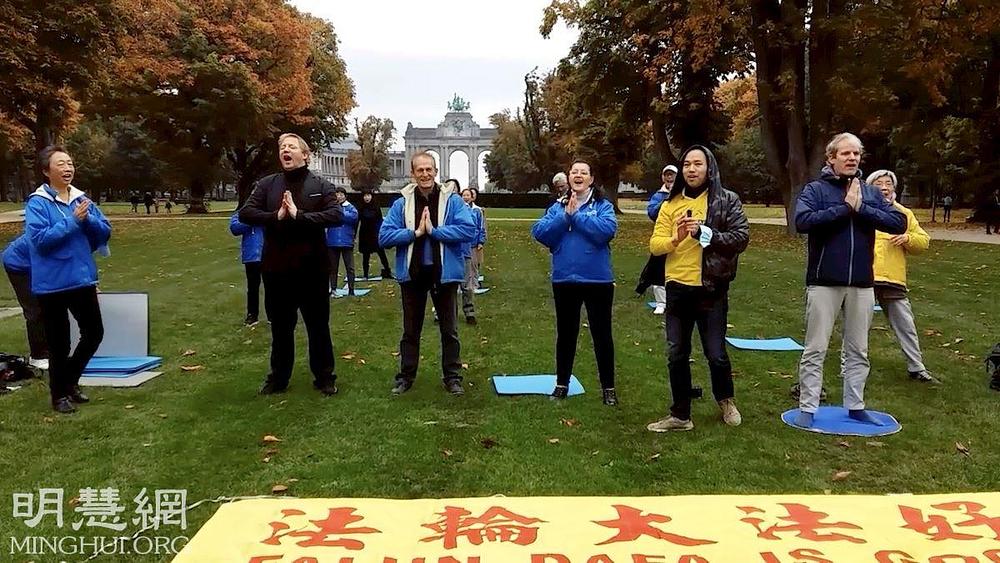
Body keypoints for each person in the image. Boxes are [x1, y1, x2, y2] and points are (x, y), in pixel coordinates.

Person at [792, 133, 907, 429]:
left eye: (856, 153)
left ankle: (855, 406)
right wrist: (844, 208)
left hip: (862, 283)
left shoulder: (869, 192)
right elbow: (803, 222)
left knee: (858, 349)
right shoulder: (816, 189)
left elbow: (898, 222)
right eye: (845, 153)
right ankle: (807, 406)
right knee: (816, 348)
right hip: (824, 282)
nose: (852, 158)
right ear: (831, 158)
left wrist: (861, 207)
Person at [644, 147, 749, 432]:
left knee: (716, 353)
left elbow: (740, 238)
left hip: (711, 287)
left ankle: (726, 400)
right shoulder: (670, 204)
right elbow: (655, 245)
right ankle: (680, 415)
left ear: (709, 167)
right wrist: (676, 238)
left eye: (697, 164)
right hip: (677, 287)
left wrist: (706, 233)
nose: (691, 169)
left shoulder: (725, 200)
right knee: (676, 353)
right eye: (687, 164)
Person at [238, 133, 343, 396]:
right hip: (277, 269)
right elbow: (246, 213)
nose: (285, 150)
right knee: (281, 327)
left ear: (305, 155)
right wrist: (276, 216)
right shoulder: (267, 184)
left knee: (318, 326)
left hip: (313, 268)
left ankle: (324, 377)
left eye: (292, 146)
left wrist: (299, 216)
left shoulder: (321, 185)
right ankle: (278, 378)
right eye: (282, 147)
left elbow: (335, 215)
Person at [378, 152, 476, 396]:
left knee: (449, 330)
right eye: (420, 170)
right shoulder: (401, 203)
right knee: (410, 331)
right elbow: (384, 236)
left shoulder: (452, 201)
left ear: (435, 172)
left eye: (428, 169)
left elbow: (468, 230)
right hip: (413, 275)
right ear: (412, 173)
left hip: (444, 274)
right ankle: (406, 377)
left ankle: (452, 377)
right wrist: (415, 233)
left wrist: (435, 231)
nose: (425, 174)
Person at [24, 145, 111, 414]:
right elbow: (40, 241)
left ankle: (69, 381)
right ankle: (58, 395)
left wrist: (88, 220)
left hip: (81, 279)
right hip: (52, 284)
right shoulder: (37, 202)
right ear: (46, 171)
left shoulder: (81, 199)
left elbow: (105, 231)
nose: (67, 168)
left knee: (94, 333)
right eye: (60, 163)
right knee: (59, 343)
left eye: (70, 163)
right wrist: (73, 222)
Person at [532, 160, 619, 405]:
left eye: (583, 172)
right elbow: (540, 232)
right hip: (564, 279)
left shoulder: (602, 205)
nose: (578, 175)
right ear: (569, 178)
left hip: (597, 280)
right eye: (574, 172)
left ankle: (608, 388)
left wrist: (576, 217)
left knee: (602, 335)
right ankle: (562, 384)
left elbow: (606, 231)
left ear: (591, 179)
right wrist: (564, 218)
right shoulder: (558, 207)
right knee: (566, 334)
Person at [866, 170, 936, 383]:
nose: (884, 188)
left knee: (905, 325)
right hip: (863, 277)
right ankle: (849, 367)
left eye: (888, 184)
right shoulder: (861, 210)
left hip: (892, 279)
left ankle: (917, 367)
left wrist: (907, 238)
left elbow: (923, 241)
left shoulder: (903, 214)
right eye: (879, 184)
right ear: (869, 188)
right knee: (856, 327)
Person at [2, 234, 49, 369]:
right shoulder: (61, 237)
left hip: (36, 264)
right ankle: (38, 356)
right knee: (35, 309)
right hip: (18, 264)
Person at [637, 164, 678, 315]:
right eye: (667, 175)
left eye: (672, 175)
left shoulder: (683, 194)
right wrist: (667, 199)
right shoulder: (658, 196)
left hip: (680, 238)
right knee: (657, 271)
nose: (669, 178)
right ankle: (661, 303)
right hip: (662, 237)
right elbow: (653, 213)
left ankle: (675, 301)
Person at [229, 210, 264, 325]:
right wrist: (251, 220)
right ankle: (252, 315)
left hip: (268, 254)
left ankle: (273, 315)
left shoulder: (267, 211)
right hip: (252, 256)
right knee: (253, 287)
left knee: (272, 287)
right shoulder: (243, 213)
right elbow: (235, 228)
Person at [458, 184, 485, 324]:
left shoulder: (473, 211)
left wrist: (480, 241)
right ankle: (441, 313)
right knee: (446, 286)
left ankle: (469, 312)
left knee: (467, 286)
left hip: (465, 251)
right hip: (450, 252)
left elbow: (475, 228)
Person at [326, 187, 358, 296]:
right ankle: (333, 289)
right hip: (332, 241)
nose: (339, 197)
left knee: (350, 267)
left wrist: (339, 213)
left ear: (345, 196)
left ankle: (351, 289)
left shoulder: (350, 207)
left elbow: (353, 217)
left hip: (346, 241)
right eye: (337, 194)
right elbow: (328, 217)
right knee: (333, 267)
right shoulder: (331, 207)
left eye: (341, 194)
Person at [356, 190, 393, 280]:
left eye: (368, 195)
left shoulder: (376, 206)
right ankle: (365, 275)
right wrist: (354, 236)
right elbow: (357, 222)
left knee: (381, 253)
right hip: (364, 233)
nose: (367, 198)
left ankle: (388, 272)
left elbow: (380, 220)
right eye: (365, 196)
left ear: (371, 196)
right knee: (366, 255)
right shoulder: (360, 207)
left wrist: (382, 233)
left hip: (375, 233)